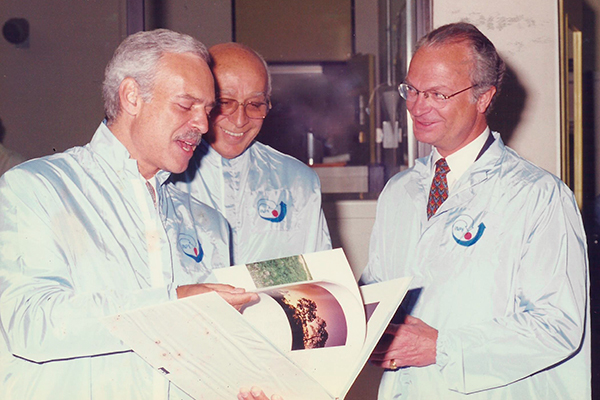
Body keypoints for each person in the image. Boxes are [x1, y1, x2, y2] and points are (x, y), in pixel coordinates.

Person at [0, 29, 261, 399]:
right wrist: (173, 304)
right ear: (132, 96)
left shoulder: (207, 224)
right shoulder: (38, 189)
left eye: (207, 110)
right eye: (186, 105)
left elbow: (206, 357)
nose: (203, 125)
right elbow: (32, 325)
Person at [361, 23, 590, 399]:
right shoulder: (399, 193)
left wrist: (443, 347)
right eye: (412, 90)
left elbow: (557, 325)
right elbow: (379, 288)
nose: (418, 107)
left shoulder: (538, 196)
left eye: (437, 93)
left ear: (483, 98)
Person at [173, 42, 331, 265]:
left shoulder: (298, 183)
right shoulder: (166, 177)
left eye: (255, 104)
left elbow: (319, 280)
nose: (240, 120)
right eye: (225, 103)